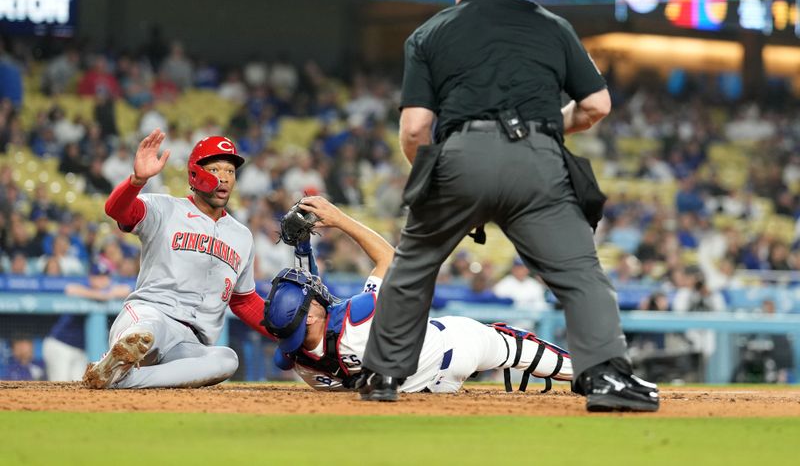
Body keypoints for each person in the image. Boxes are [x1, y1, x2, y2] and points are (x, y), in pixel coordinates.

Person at [359, 0, 659, 411]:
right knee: (581, 273)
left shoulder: (429, 32)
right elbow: (597, 105)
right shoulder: (552, 24)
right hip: (537, 157)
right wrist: (542, 127)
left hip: (461, 155)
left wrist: (434, 175)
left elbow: (416, 126)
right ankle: (605, 378)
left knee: (414, 264)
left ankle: (383, 375)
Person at [259, 197, 572, 394]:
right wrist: (340, 219)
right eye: (311, 297)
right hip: (455, 346)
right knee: (512, 347)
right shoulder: (358, 316)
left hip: (429, 391)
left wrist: (302, 251)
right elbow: (389, 260)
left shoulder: (302, 366)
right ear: (311, 313)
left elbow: (309, 319)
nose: (316, 293)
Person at [82, 129, 257, 389]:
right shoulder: (164, 208)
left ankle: (121, 379)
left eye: (230, 171)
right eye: (215, 169)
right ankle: (125, 353)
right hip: (151, 312)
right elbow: (117, 210)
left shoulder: (242, 236)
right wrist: (136, 181)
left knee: (227, 359)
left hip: (189, 344)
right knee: (146, 332)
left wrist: (292, 335)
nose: (224, 178)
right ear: (196, 174)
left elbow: (245, 301)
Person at [43, 261, 131, 382]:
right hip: (61, 345)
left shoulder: (112, 289)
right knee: (60, 384)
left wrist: (105, 294)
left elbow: (126, 289)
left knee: (80, 386)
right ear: (90, 277)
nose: (102, 280)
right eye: (98, 276)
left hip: (81, 351)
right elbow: (70, 289)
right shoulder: (84, 286)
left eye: (105, 276)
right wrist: (98, 295)